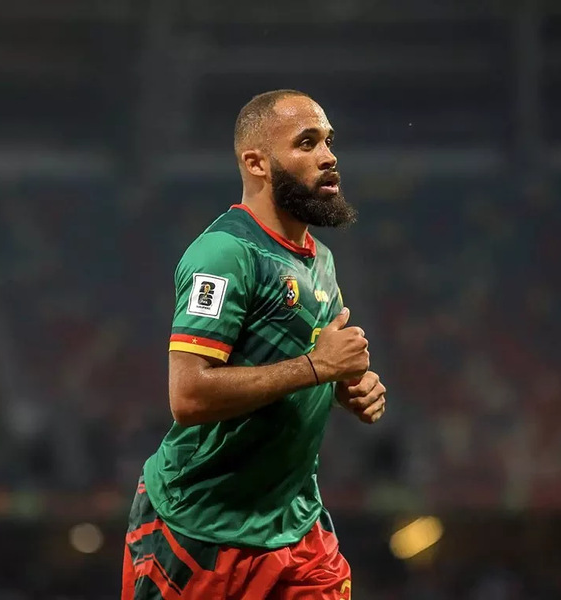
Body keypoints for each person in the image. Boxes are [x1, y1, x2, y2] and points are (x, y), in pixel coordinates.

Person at [121, 89, 387, 600]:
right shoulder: (225, 254)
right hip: (200, 529)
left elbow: (310, 364)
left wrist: (347, 388)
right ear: (256, 163)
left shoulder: (321, 260)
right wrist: (317, 368)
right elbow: (188, 396)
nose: (329, 156)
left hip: (296, 527)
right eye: (306, 143)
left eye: (329, 141)